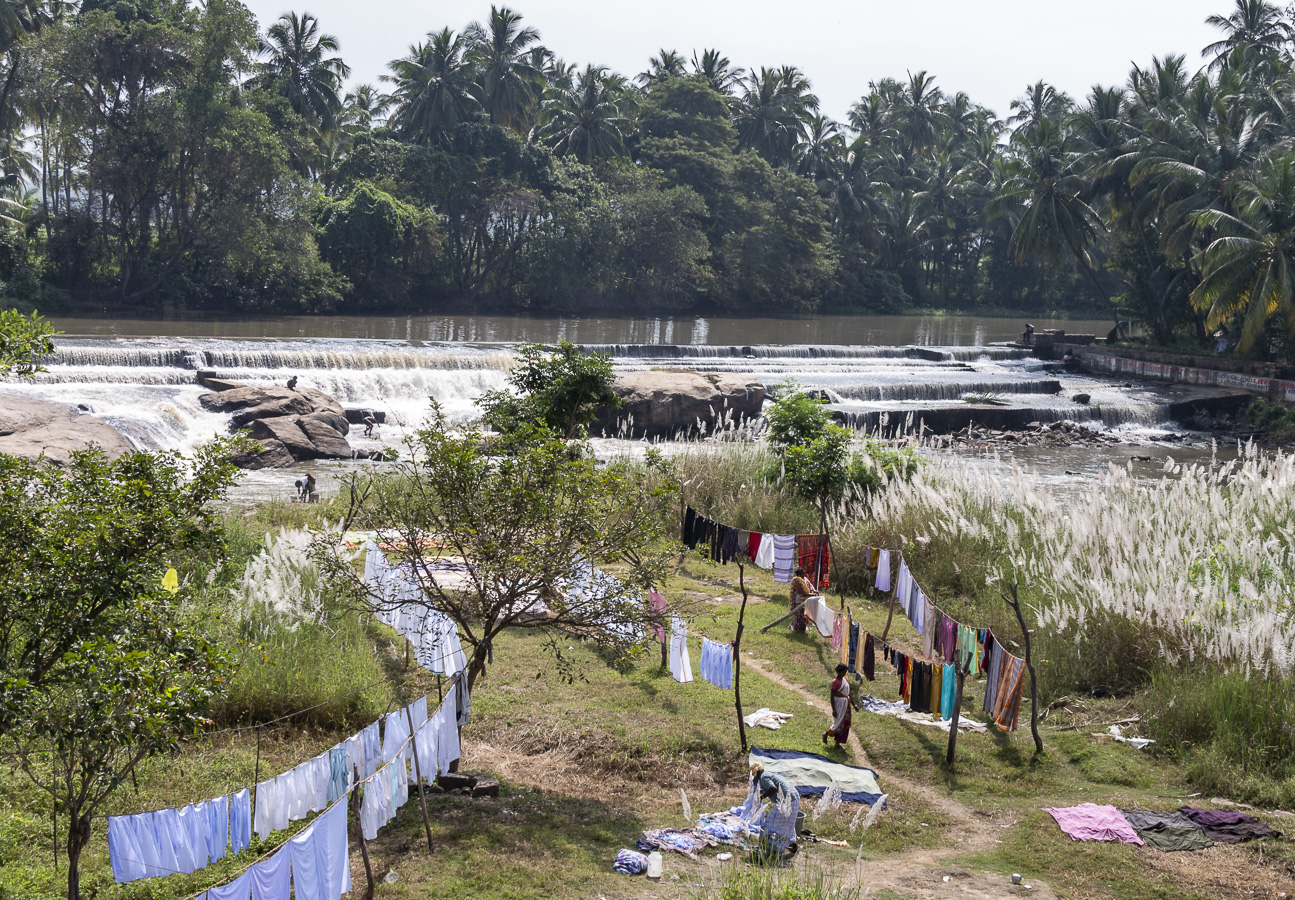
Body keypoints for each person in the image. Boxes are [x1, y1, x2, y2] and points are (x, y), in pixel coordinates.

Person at [742, 763, 799, 856]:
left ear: (756, 773)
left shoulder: (763, 777)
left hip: (786, 800)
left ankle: (774, 849)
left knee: (771, 823)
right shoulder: (769, 773)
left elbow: (772, 788)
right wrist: (757, 793)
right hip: (795, 798)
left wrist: (762, 797)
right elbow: (770, 787)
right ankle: (792, 845)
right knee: (788, 823)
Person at [823, 663, 853, 747]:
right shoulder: (835, 682)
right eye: (843, 672)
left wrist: (854, 705)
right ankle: (826, 733)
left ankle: (838, 742)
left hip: (846, 704)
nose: (844, 674)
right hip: (839, 704)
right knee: (839, 723)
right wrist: (834, 709)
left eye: (845, 672)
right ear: (838, 672)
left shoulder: (845, 680)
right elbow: (832, 697)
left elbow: (848, 693)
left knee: (845, 723)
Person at [789, 567, 817, 634]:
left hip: (804, 601)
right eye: (802, 574)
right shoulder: (797, 581)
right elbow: (802, 593)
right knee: (799, 616)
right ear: (799, 574)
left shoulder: (803, 580)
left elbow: (810, 586)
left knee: (803, 616)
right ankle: (798, 631)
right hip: (798, 601)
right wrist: (812, 594)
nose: (804, 575)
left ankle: (802, 630)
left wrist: (813, 591)